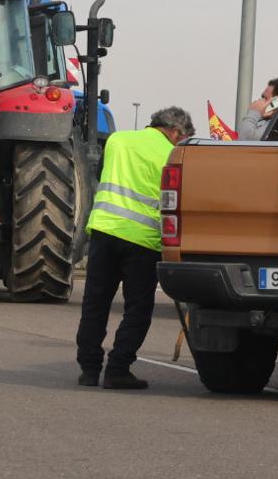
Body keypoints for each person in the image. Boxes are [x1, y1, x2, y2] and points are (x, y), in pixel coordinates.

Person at [75, 106, 195, 389]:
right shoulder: (173, 154)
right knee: (137, 309)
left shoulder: (117, 140)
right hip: (143, 240)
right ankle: (117, 369)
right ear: (176, 132)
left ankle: (89, 370)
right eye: (184, 137)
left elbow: (103, 175)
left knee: (95, 304)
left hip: (105, 232)